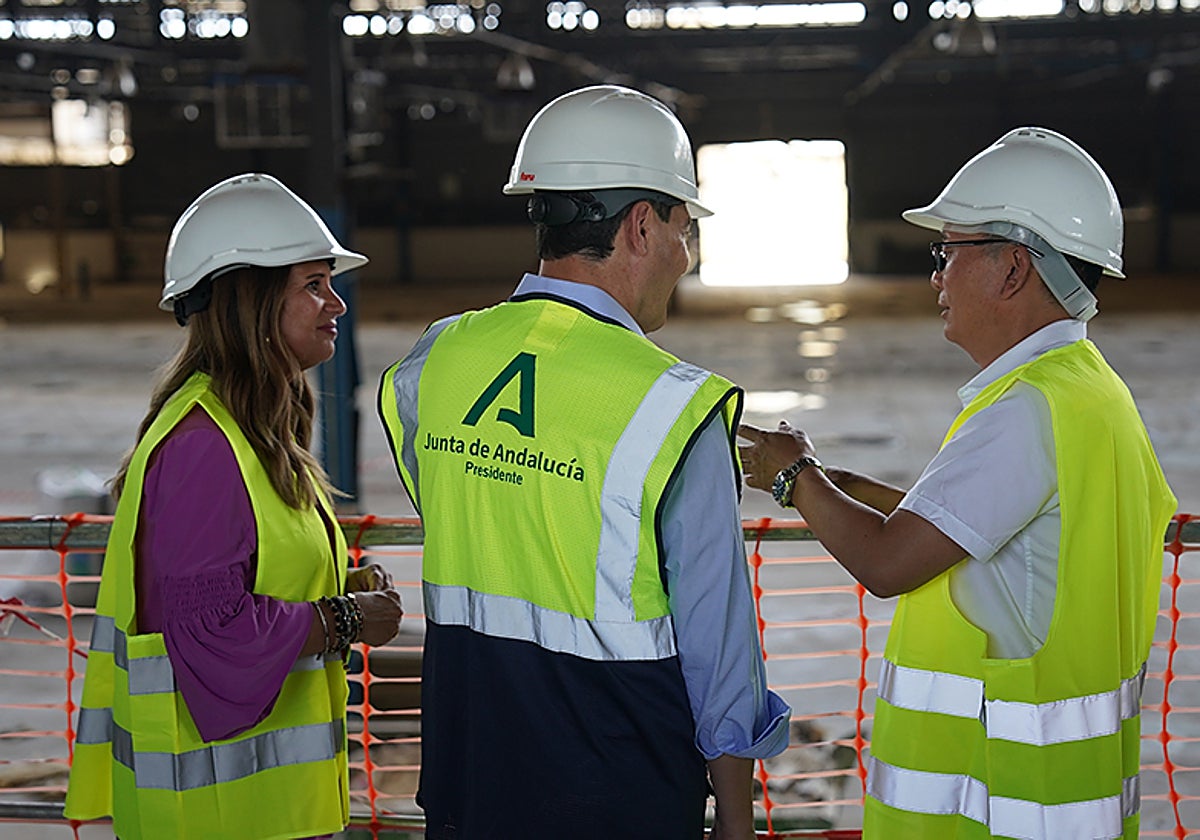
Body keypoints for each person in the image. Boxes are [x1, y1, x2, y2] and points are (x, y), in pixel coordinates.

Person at [739, 127, 1177, 839]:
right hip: (1063, 809)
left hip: (995, 810)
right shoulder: (1088, 393)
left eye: (948, 253)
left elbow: (889, 562)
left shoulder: (1025, 410)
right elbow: (984, 530)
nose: (936, 276)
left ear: (1012, 269)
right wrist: (833, 480)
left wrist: (793, 476)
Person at [377, 85, 790, 840]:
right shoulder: (674, 409)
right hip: (617, 795)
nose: (685, 255)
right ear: (640, 225)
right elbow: (718, 654)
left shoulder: (431, 363)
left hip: (468, 783)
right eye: (683, 227)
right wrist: (737, 822)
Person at [64, 172, 405, 840]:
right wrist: (345, 617)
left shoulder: (250, 431)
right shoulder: (202, 450)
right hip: (222, 818)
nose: (336, 303)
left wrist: (338, 583)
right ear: (249, 300)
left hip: (268, 815)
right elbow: (212, 635)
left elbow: (251, 577)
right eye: (313, 284)